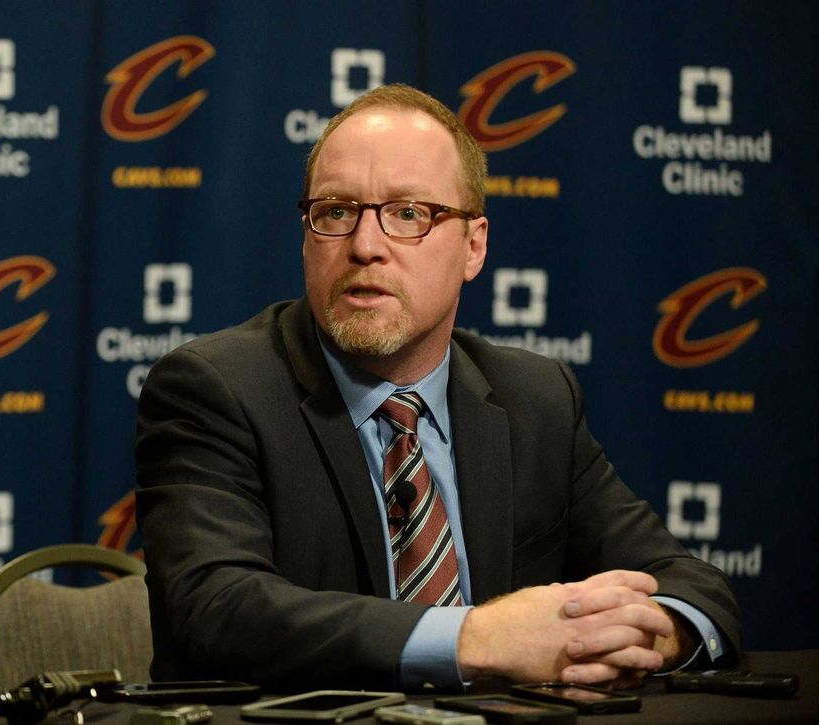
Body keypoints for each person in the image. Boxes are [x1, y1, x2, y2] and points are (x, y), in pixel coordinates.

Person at [133, 83, 740, 691]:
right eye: (336, 212)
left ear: (474, 246)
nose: (365, 247)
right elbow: (216, 611)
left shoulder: (535, 398)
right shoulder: (216, 389)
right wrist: (477, 637)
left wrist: (646, 631)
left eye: (407, 214)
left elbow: (688, 584)